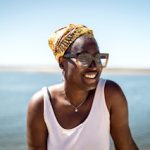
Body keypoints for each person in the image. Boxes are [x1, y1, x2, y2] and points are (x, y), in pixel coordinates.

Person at [27, 24, 138, 150]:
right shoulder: (42, 104)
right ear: (63, 63)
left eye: (98, 57)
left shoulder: (110, 94)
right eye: (84, 58)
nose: (95, 65)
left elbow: (126, 146)